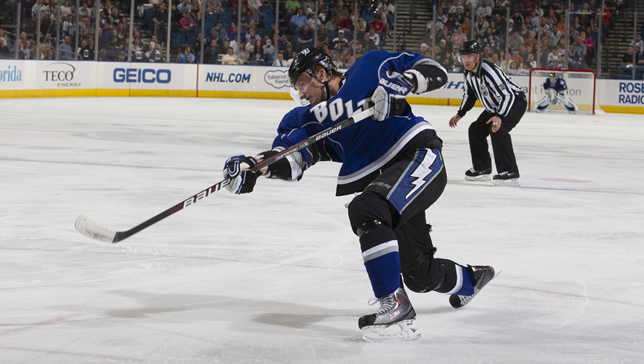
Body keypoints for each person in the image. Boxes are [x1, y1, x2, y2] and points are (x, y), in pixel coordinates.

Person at [221, 47, 496, 341]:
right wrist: (257, 167)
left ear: (322, 73)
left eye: (302, 83)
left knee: (367, 209)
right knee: (420, 274)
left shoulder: (370, 66)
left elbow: (435, 70)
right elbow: (292, 157)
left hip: (417, 155)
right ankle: (472, 280)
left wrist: (404, 84)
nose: (300, 93)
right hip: (387, 183)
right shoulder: (306, 119)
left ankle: (395, 304)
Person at [448, 40, 526, 186]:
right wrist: (460, 113)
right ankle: (482, 167)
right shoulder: (469, 73)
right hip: (494, 107)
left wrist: (500, 116)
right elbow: (469, 95)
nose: (466, 60)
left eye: (469, 56)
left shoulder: (490, 71)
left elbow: (508, 95)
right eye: (463, 57)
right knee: (475, 129)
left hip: (514, 102)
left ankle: (509, 172)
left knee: (498, 129)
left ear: (477, 56)